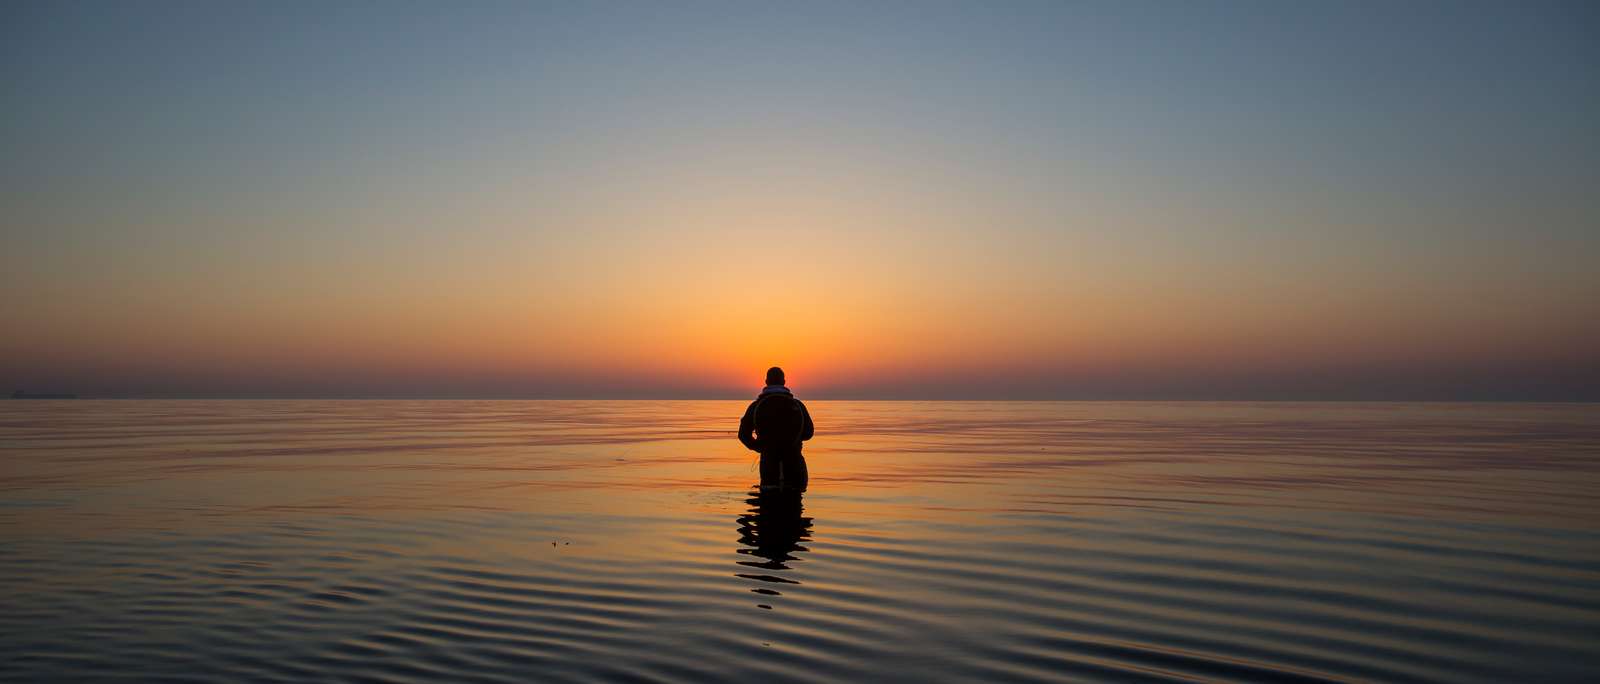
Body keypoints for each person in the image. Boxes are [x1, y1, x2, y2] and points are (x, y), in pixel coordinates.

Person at [738, 367, 814, 491]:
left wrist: (760, 447)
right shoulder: (798, 405)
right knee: (794, 505)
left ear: (766, 381)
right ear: (784, 382)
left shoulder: (755, 406)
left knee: (768, 505)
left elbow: (743, 435)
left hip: (769, 465)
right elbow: (808, 433)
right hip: (795, 463)